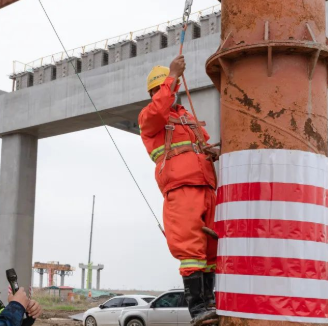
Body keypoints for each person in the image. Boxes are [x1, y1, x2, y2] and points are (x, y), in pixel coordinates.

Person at [138, 55, 219, 323]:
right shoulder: (151, 117)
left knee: (210, 251)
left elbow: (204, 142)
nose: (169, 92)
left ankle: (211, 303)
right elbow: (160, 108)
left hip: (206, 185)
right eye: (163, 88)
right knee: (190, 248)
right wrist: (172, 75)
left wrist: (211, 153)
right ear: (157, 91)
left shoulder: (187, 118)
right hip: (181, 188)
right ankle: (198, 309)